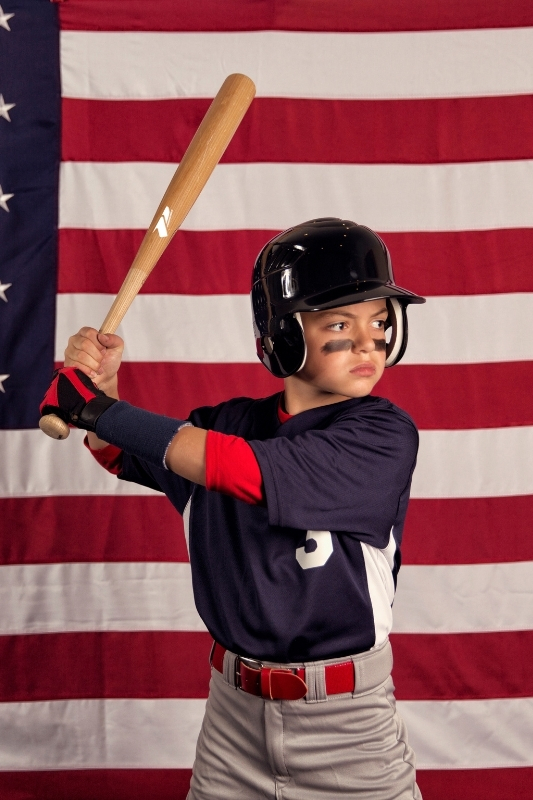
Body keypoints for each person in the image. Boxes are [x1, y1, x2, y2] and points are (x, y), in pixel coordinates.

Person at [41, 218, 427, 800]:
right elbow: (124, 451)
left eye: (380, 322)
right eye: (341, 324)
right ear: (283, 335)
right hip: (232, 721)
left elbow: (248, 470)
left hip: (348, 727)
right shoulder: (221, 426)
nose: (369, 342)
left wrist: (95, 409)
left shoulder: (383, 433)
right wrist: (104, 389)